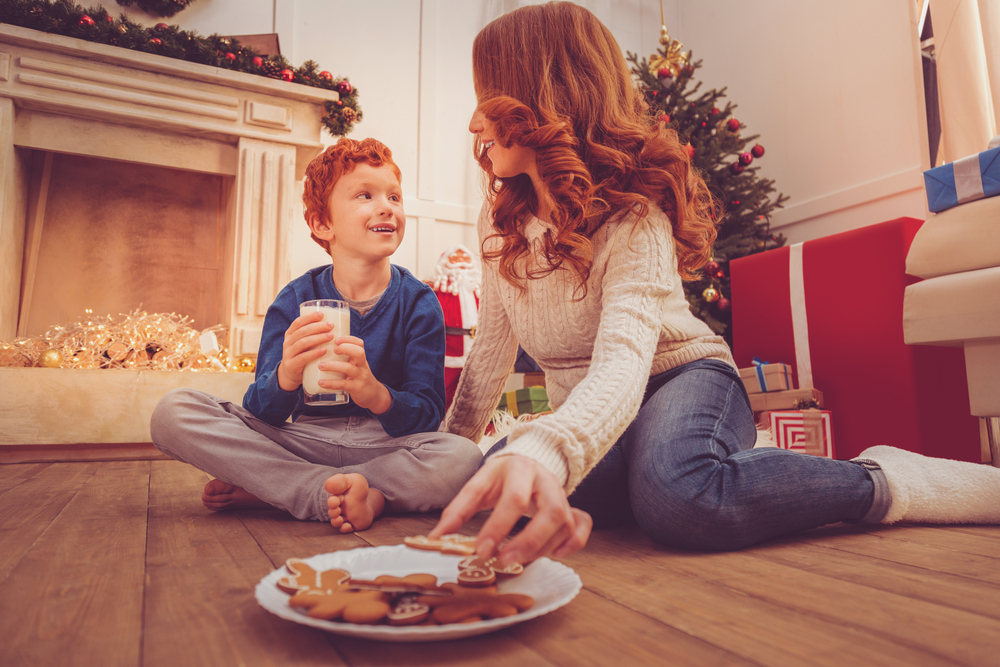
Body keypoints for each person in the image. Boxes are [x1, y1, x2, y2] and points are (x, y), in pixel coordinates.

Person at [429, 2, 1000, 568]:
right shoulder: (499, 221)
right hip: (595, 406)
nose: (474, 121)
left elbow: (625, 359)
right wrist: (447, 453)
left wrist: (554, 444)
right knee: (500, 481)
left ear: (543, 95)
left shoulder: (635, 214)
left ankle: (884, 478)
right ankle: (691, 468)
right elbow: (490, 353)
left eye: (488, 94)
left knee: (681, 497)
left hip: (682, 377)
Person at [150, 137, 482, 533]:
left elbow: (428, 415)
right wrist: (287, 376)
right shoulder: (294, 300)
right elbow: (261, 410)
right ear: (322, 224)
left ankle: (285, 488)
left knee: (461, 457)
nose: (386, 207)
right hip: (305, 439)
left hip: (384, 446)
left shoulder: (419, 302)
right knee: (173, 412)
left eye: (395, 197)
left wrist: (375, 393)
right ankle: (329, 491)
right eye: (365, 195)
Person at [427, 244, 481, 411]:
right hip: (449, 348)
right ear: (445, 262)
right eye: (455, 258)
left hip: (476, 347)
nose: (461, 263)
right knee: (445, 388)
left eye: (465, 258)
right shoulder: (437, 288)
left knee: (476, 390)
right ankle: (440, 422)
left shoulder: (478, 289)